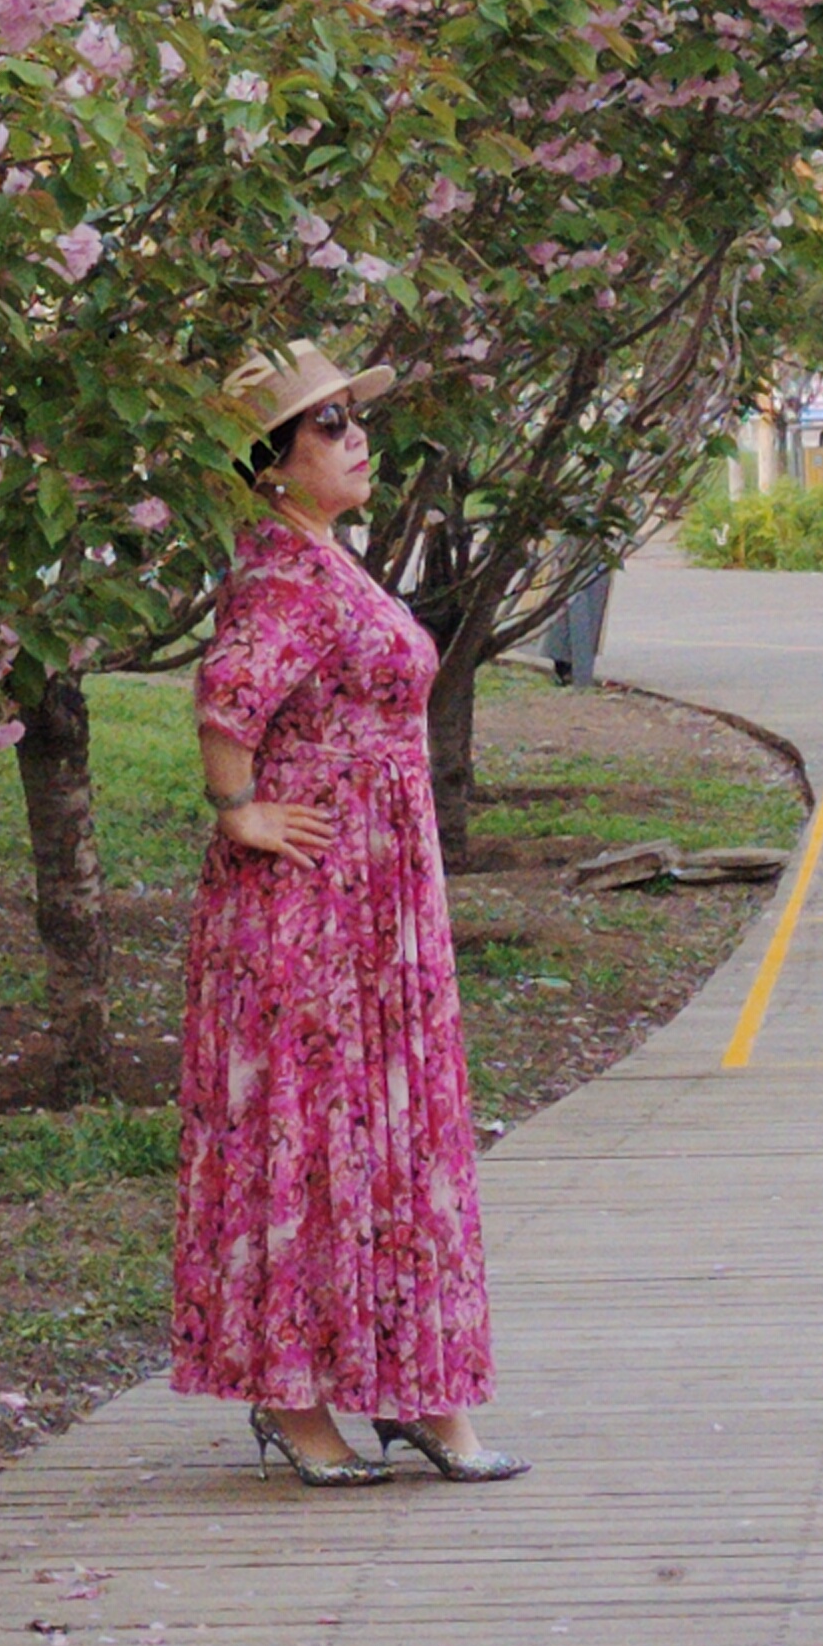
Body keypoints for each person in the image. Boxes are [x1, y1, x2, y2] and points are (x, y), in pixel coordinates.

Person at [172, 337, 527, 1487]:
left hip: (380, 910)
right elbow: (227, 701)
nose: (357, 436)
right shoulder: (280, 574)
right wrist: (242, 812)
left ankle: (419, 1391)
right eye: (328, 425)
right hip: (311, 916)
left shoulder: (331, 561)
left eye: (350, 418)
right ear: (271, 463)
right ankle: (297, 1396)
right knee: (313, 1139)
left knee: (394, 1132)